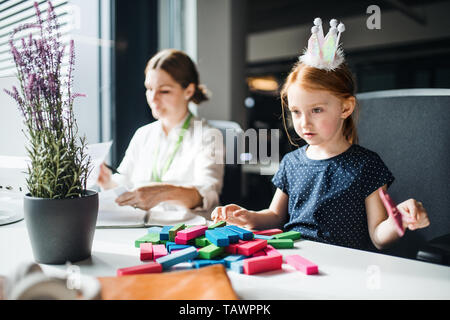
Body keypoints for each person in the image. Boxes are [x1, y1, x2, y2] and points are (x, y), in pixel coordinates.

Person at [211, 18, 430, 251]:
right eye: (296, 112)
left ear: (345, 108)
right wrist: (249, 217)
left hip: (344, 269)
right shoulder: (291, 163)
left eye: (316, 110)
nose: (304, 122)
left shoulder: (367, 166)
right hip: (295, 260)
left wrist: (400, 221)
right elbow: (275, 216)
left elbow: (377, 236)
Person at [97, 49, 224, 218]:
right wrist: (107, 182)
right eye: (149, 89)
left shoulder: (208, 136)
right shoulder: (143, 134)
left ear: (189, 91)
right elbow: (124, 182)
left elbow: (208, 196)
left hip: (185, 232)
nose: (153, 98)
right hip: (142, 227)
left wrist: (163, 193)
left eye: (164, 91)